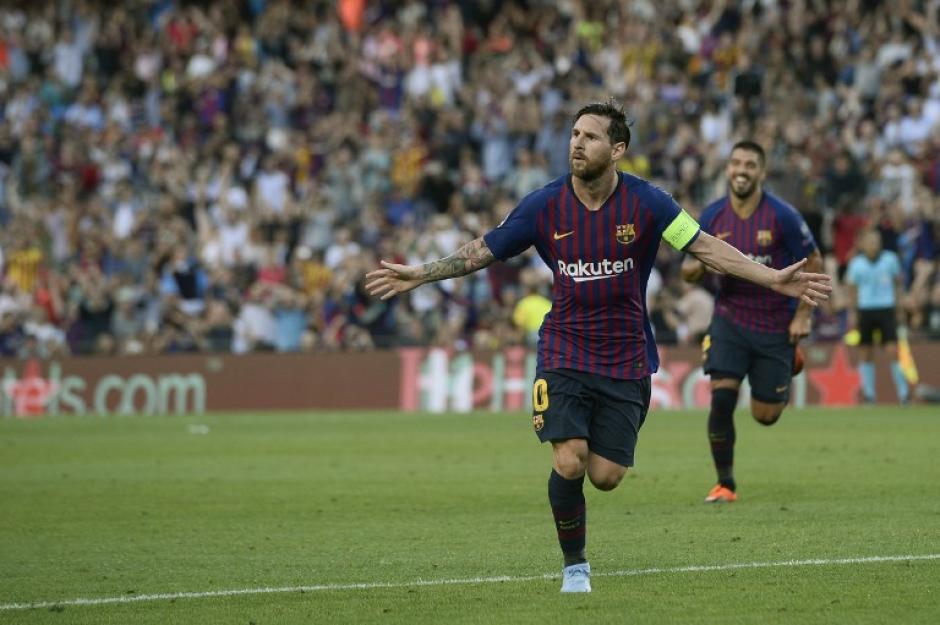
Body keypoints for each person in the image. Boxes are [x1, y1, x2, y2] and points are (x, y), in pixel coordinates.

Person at [366, 101, 831, 593]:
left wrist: (773, 278)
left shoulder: (649, 204)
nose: (576, 144)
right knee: (569, 459)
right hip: (563, 349)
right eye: (574, 134)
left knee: (606, 476)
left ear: (617, 149)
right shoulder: (543, 206)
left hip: (625, 357)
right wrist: (421, 273)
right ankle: (575, 566)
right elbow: (482, 249)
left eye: (589, 137)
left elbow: (705, 247)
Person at [680, 141, 823, 504]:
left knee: (766, 415)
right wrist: (696, 267)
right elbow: (687, 270)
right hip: (729, 320)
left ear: (761, 172)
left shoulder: (782, 216)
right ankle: (725, 484)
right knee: (721, 399)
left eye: (750, 165)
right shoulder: (712, 216)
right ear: (727, 169)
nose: (741, 170)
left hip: (776, 324)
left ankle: (790, 359)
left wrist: (804, 315)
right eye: (736, 163)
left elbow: (815, 261)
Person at [845, 229, 909, 404]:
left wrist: (899, 308)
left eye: (877, 241)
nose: (874, 245)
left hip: (886, 308)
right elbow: (852, 290)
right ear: (863, 244)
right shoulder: (856, 264)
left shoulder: (890, 259)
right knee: (865, 353)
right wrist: (853, 313)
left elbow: (897, 285)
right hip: (865, 310)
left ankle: (903, 394)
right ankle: (869, 395)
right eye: (871, 241)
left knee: (892, 351)